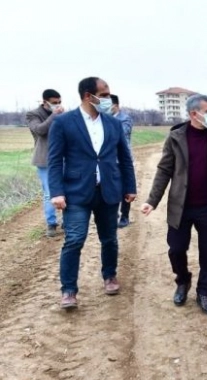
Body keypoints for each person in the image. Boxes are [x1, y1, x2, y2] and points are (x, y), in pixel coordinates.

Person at [47, 77, 137, 309]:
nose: (108, 99)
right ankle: (68, 290)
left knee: (109, 238)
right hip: (76, 192)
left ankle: (109, 276)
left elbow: (124, 158)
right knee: (74, 240)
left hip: (108, 190)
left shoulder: (113, 123)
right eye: (105, 95)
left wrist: (130, 186)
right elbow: (55, 160)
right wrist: (56, 192)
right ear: (89, 96)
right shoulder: (64, 122)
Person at [141, 94, 207, 315]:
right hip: (181, 207)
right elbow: (164, 170)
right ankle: (183, 281)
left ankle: (204, 292)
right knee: (176, 249)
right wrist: (152, 201)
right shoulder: (175, 138)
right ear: (194, 114)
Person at [26, 89, 64, 237]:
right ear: (45, 102)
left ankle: (67, 221)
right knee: (50, 193)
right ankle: (51, 223)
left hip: (63, 158)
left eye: (59, 102)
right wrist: (55, 115)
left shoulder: (63, 114)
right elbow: (40, 130)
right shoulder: (33, 115)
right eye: (54, 103)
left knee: (66, 190)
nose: (58, 105)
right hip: (44, 159)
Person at [109, 94, 134, 228]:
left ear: (116, 106)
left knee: (125, 189)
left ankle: (125, 216)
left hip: (122, 160)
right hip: (108, 161)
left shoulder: (125, 119)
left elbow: (121, 136)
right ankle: (113, 214)